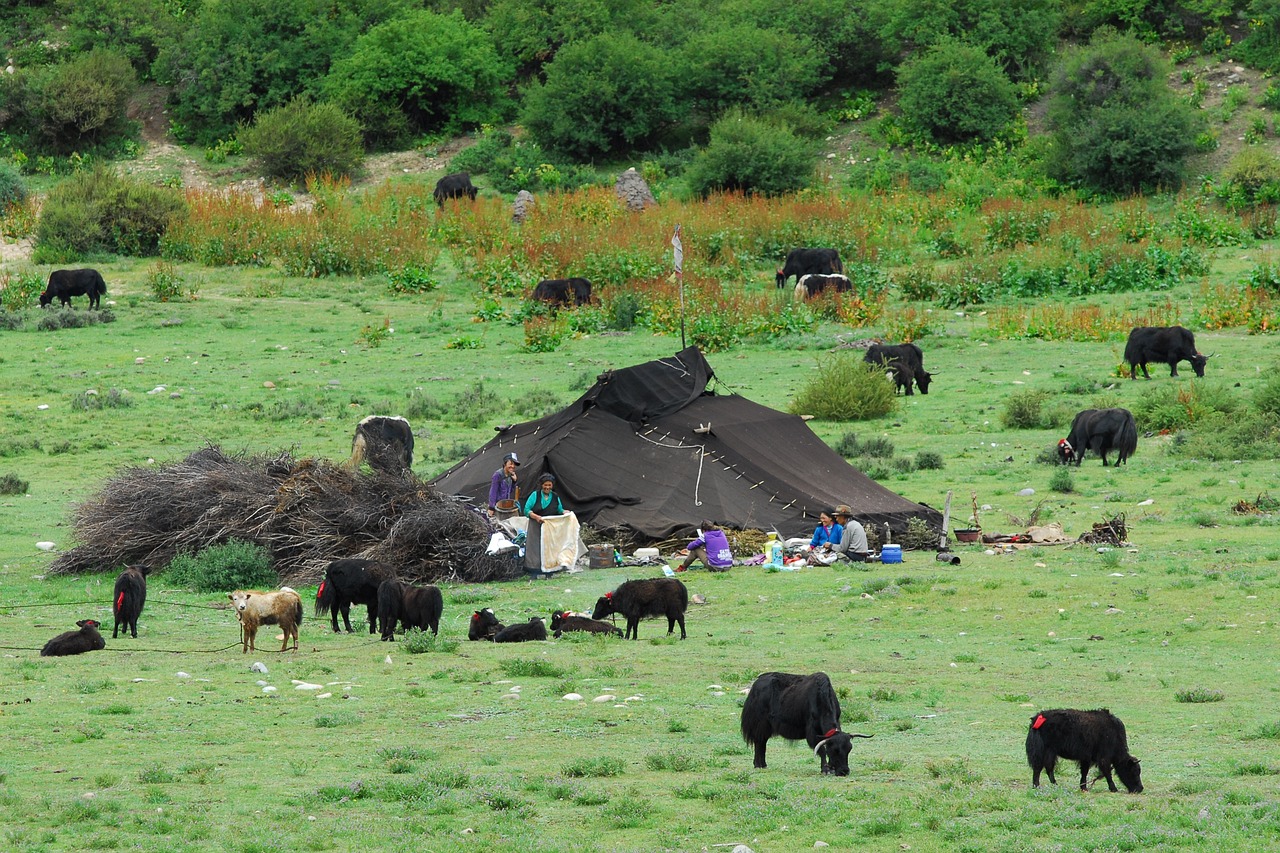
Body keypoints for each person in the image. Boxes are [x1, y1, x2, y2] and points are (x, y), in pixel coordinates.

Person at [523, 472, 568, 571]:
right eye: (545, 485)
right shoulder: (535, 495)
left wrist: (566, 513)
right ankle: (534, 569)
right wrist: (536, 517)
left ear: (552, 485)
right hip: (535, 526)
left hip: (549, 529)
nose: (547, 487)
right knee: (535, 548)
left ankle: (549, 570)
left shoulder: (555, 497)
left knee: (549, 549)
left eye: (549, 485)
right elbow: (526, 509)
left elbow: (559, 510)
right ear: (541, 485)